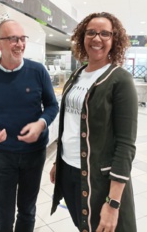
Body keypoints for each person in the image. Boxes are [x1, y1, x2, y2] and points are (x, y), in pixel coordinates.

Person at [50, 12, 138, 232]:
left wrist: (113, 203)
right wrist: (57, 162)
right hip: (69, 171)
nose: (97, 38)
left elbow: (126, 144)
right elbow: (69, 125)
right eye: (91, 32)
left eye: (105, 34)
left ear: (114, 40)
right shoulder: (77, 74)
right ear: (82, 37)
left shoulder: (120, 79)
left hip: (100, 180)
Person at [0, 19, 59, 232]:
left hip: (34, 153)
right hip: (3, 155)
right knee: (3, 213)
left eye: (22, 38)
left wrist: (41, 124)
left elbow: (52, 106)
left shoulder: (37, 71)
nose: (19, 44)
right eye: (13, 39)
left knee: (27, 210)